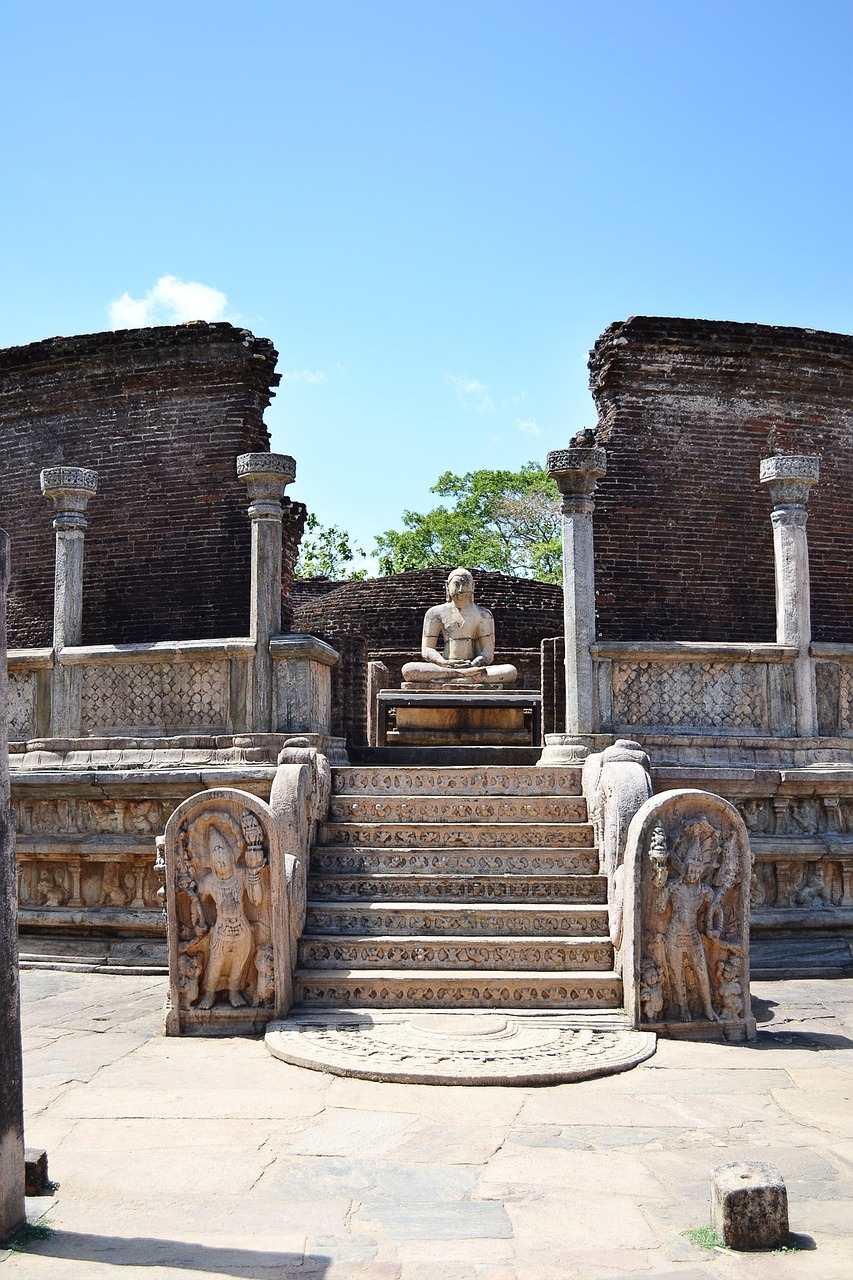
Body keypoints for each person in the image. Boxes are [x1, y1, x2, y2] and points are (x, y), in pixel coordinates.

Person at [401, 568, 517, 686]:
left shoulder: (483, 614)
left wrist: (475, 663)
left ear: (473, 586)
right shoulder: (435, 613)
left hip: (472, 667)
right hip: (446, 667)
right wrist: (444, 662)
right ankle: (464, 678)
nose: (461, 590)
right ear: (447, 586)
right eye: (456, 584)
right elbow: (427, 650)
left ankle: (455, 678)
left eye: (465, 585)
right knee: (409, 670)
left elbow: (488, 651)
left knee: (510, 670)